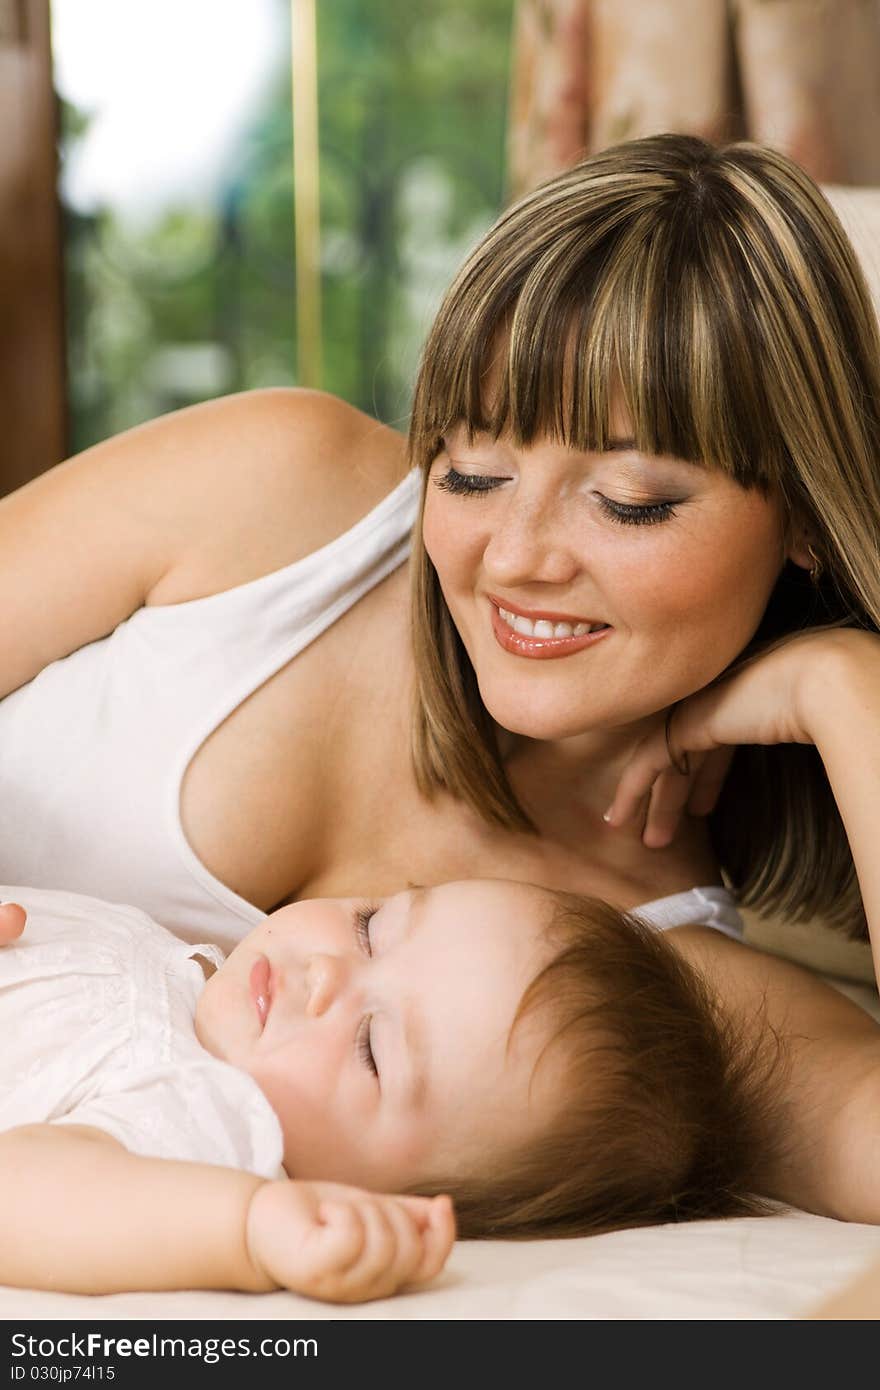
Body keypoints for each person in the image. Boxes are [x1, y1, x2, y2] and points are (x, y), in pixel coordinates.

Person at [0, 137, 877, 1056]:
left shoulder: (660, 980)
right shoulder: (288, 491)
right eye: (471, 473)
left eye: (630, 502)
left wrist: (842, 685)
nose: (514, 558)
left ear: (807, 518)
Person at [0, 874, 785, 1300]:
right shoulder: (185, 971)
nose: (329, 973)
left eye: (374, 1049)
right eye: (373, 925)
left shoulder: (203, 1119)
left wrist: (248, 1226)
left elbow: (25, 1197)